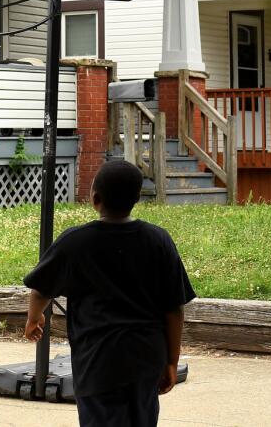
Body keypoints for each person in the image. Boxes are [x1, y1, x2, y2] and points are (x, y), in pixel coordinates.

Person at [23, 161, 195, 427]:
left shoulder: (75, 241)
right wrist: (171, 361)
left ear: (95, 199)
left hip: (97, 362)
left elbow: (40, 290)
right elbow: (174, 308)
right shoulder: (158, 240)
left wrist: (34, 319)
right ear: (137, 198)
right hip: (145, 359)